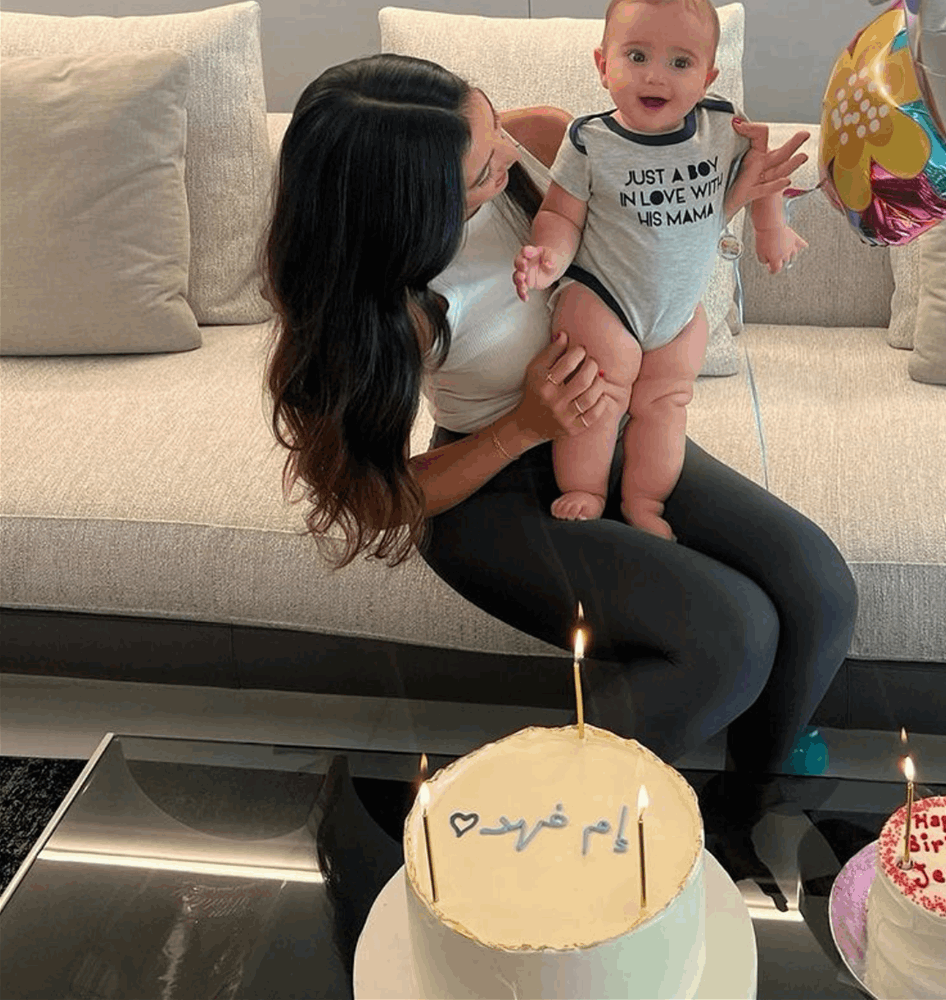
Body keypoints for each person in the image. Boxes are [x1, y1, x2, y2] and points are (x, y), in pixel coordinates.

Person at [263, 50, 857, 898]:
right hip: (488, 484)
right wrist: (523, 425)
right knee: (732, 637)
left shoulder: (536, 142)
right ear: (413, 211)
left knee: (818, 586)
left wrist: (746, 183)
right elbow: (376, 498)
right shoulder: (384, 307)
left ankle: (748, 805)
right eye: (483, 169)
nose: (508, 153)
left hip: (609, 432)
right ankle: (504, 834)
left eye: (491, 123)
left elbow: (655, 210)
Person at [513, 0, 805, 538]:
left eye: (680, 62)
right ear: (603, 66)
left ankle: (645, 502)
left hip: (680, 313)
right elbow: (561, 215)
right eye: (637, 56)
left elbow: (762, 176)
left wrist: (772, 230)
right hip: (602, 300)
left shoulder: (722, 126)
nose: (655, 75)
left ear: (708, 78)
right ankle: (586, 488)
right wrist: (548, 257)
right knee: (598, 397)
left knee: (666, 404)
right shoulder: (589, 139)